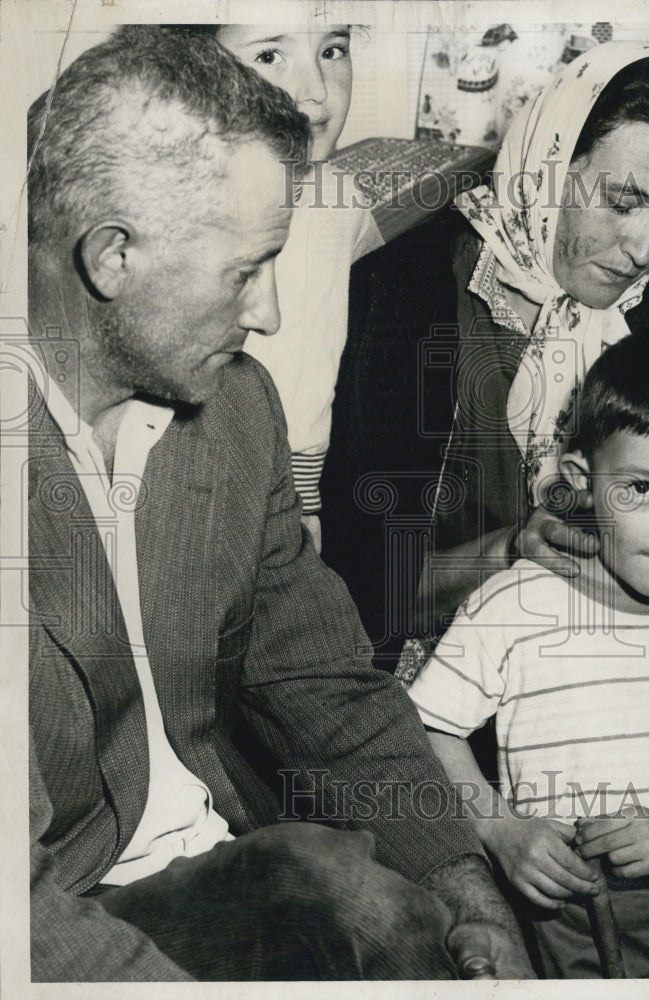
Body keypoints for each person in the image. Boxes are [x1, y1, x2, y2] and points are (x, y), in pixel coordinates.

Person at [26, 26, 533, 981]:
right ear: (110, 259)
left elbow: (324, 683)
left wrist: (466, 887)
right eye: (245, 270)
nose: (269, 314)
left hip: (230, 862)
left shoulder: (235, 409)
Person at [407, 331, 649, 977]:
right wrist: (499, 829)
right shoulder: (514, 605)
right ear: (581, 479)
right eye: (641, 488)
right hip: (576, 916)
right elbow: (422, 731)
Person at [404, 41, 649, 654]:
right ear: (548, 167)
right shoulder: (410, 299)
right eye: (623, 202)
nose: (644, 249)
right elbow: (356, 588)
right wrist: (511, 549)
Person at [172, 22, 383, 552]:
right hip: (198, 496)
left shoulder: (340, 195)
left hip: (300, 498)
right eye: (270, 55)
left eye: (332, 50)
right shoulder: (178, 210)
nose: (315, 89)